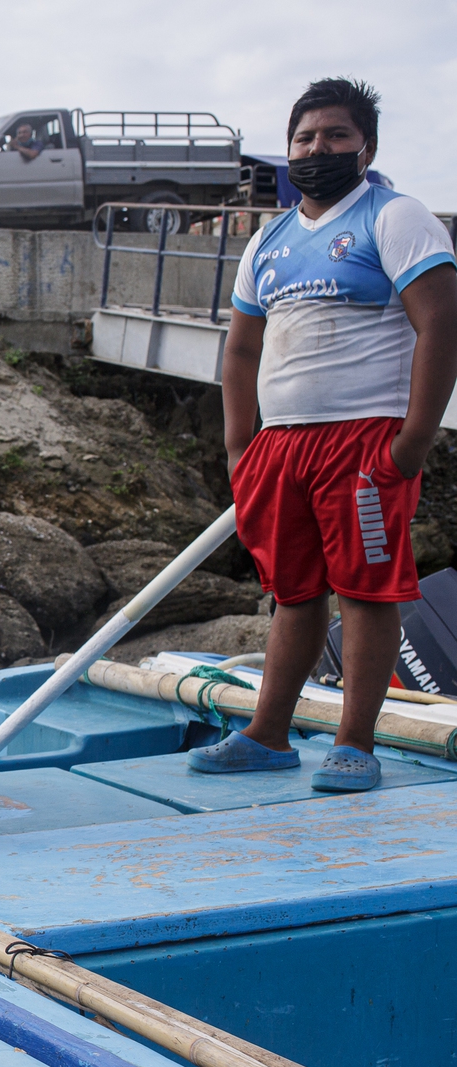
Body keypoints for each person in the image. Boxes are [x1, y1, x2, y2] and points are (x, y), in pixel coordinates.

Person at [192, 78, 457, 791]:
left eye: (336, 136)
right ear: (288, 150)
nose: (319, 150)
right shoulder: (269, 243)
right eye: (305, 139)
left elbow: (441, 324)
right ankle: (268, 735)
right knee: (294, 592)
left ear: (366, 146)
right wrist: (241, 446)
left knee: (367, 594)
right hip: (282, 448)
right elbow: (241, 351)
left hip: (364, 443)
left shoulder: (395, 218)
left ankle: (354, 745)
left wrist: (411, 443)